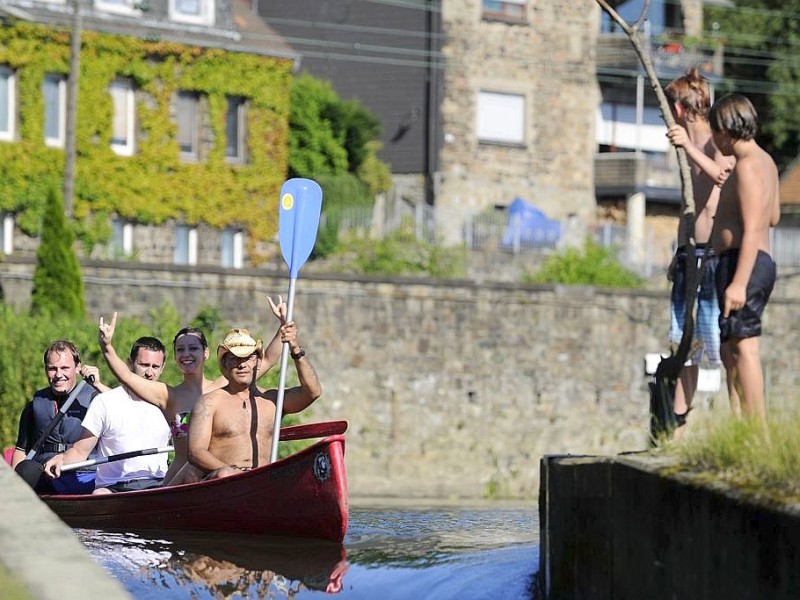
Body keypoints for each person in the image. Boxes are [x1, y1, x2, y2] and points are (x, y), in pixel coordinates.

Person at [97, 298, 286, 484]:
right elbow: (127, 377)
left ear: (206, 353)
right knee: (192, 471)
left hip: (218, 478)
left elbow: (267, 359)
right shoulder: (169, 396)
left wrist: (283, 325)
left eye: (193, 348)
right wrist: (107, 347)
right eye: (180, 349)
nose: (186, 354)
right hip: (182, 481)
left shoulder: (226, 386)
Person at [663, 68, 736, 438]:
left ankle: (738, 421)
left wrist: (688, 146)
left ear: (677, 109)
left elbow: (722, 174)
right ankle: (677, 424)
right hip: (688, 256)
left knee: (720, 346)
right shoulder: (684, 150)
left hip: (712, 258)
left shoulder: (716, 141)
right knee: (685, 345)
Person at [166, 316, 321, 485]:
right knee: (223, 474)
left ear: (257, 362)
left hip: (262, 481)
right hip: (222, 483)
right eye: (234, 358)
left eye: (248, 358)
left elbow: (312, 392)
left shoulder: (272, 399)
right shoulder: (209, 402)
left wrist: (295, 349)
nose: (242, 365)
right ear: (225, 364)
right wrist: (236, 475)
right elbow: (196, 452)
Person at [708, 93, 780, 423]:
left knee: (745, 347)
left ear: (725, 128)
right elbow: (774, 216)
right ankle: (741, 427)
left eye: (714, 131)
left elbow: (753, 229)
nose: (713, 139)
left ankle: (756, 431)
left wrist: (738, 283)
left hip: (745, 265)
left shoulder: (749, 165)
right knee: (731, 348)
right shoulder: (765, 161)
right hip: (747, 263)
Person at [42, 337, 172, 494]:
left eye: (155, 366)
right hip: (113, 487)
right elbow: (80, 451)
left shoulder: (173, 403)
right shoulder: (104, 402)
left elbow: (187, 444)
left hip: (158, 484)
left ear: (162, 367)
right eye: (144, 365)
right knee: (98, 495)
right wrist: (61, 459)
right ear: (130, 363)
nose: (149, 372)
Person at [11, 339, 108, 494]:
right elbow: (21, 450)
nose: (58, 375)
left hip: (83, 472)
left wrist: (99, 385)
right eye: (52, 368)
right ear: (45, 369)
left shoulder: (98, 399)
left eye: (64, 368)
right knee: (26, 469)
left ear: (77, 368)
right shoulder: (34, 405)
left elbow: (124, 410)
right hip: (46, 474)